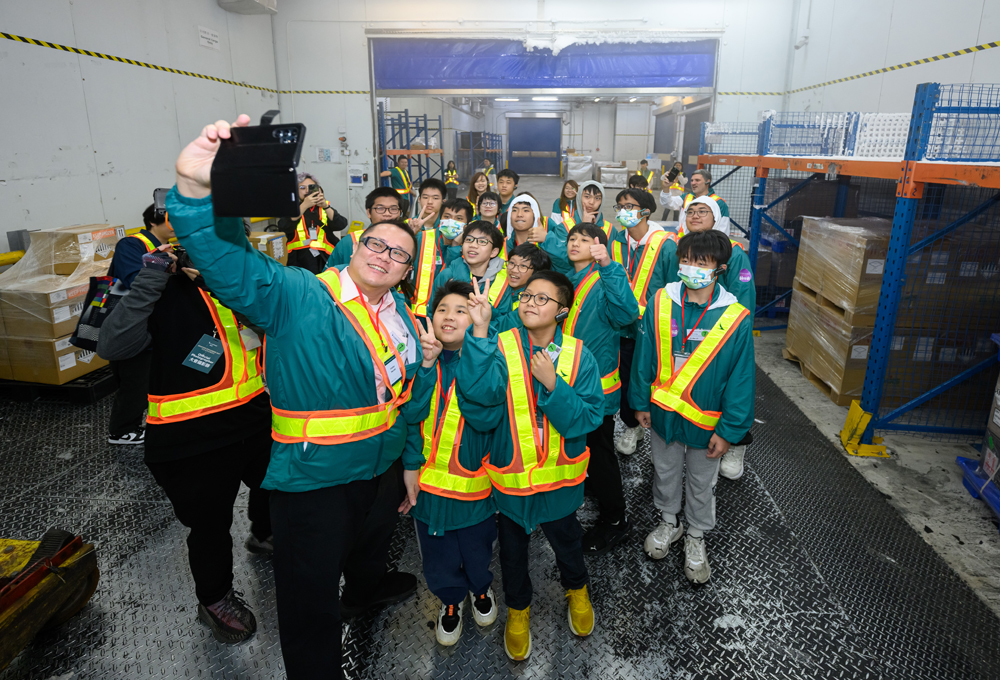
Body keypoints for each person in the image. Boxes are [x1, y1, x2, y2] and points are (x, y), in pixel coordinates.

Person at [168, 114, 436, 679]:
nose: (384, 256)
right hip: (313, 483)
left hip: (381, 470)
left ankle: (367, 588)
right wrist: (195, 191)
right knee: (309, 597)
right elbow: (230, 263)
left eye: (399, 255)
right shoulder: (298, 296)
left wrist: (409, 465)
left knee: (372, 548)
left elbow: (408, 400)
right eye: (376, 244)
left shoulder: (405, 322)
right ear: (356, 244)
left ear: (408, 271)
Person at [97, 235, 272, 644]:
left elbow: (275, 326)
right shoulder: (159, 290)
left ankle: (263, 534)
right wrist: (152, 278)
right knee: (210, 525)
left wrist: (221, 284)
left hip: (255, 419)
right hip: (193, 439)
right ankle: (214, 599)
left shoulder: (236, 286)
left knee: (275, 488)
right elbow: (113, 344)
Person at [460, 271, 603, 661]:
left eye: (542, 299)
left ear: (562, 310)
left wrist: (554, 386)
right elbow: (475, 399)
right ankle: (518, 612)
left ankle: (578, 591)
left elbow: (590, 417)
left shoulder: (577, 355)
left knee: (568, 544)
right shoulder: (498, 346)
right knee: (511, 553)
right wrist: (478, 331)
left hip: (559, 483)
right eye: (526, 296)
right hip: (510, 484)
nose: (529, 303)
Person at [630, 230, 754, 584]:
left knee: (702, 482)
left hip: (706, 424)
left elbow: (741, 380)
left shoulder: (735, 316)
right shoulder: (660, 302)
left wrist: (730, 431)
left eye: (701, 262)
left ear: (720, 269)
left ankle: (696, 535)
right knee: (664, 470)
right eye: (686, 260)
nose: (691, 267)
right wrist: (641, 403)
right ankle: (669, 522)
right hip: (663, 416)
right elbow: (644, 358)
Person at [404, 279, 499, 647]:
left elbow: (488, 405)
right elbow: (410, 416)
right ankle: (449, 602)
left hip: (474, 485)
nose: (449, 316)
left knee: (477, 550)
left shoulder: (489, 360)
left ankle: (480, 591)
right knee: (437, 556)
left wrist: (480, 331)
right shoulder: (422, 362)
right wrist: (427, 365)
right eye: (442, 309)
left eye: (462, 310)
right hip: (427, 488)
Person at [666, 196, 756, 481]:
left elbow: (743, 301)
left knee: (729, 387)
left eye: (702, 211)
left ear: (717, 218)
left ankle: (737, 443)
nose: (694, 215)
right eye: (690, 210)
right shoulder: (683, 250)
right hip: (687, 333)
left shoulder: (734, 253)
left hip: (719, 335)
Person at [563, 223, 640, 554]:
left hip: (594, 389)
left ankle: (615, 520)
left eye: (585, 239)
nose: (576, 243)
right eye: (572, 238)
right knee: (587, 450)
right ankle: (595, 492)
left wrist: (608, 266)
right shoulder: (568, 278)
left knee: (599, 454)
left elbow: (627, 313)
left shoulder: (603, 279)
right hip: (570, 383)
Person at [608, 188, 677, 457]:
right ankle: (631, 424)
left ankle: (658, 427)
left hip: (652, 331)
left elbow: (674, 289)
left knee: (651, 378)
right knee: (624, 377)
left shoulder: (666, 245)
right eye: (620, 206)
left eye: (630, 206)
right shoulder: (615, 242)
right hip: (619, 328)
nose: (623, 211)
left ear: (646, 211)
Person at [105, 201, 176, 445]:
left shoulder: (169, 245)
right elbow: (136, 280)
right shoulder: (132, 245)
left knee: (149, 376)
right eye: (170, 220)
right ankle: (122, 430)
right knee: (135, 379)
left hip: (154, 322)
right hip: (132, 325)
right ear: (153, 222)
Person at [408, 186, 466, 318]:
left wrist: (456, 246)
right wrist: (410, 236)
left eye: (458, 219)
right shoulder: (419, 236)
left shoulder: (472, 247)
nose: (451, 222)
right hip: (415, 314)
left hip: (449, 316)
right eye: (447, 217)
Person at [435, 221, 510, 315]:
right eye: (469, 240)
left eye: (482, 241)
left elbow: (504, 321)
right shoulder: (447, 275)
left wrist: (485, 311)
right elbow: (433, 313)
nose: (473, 245)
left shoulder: (503, 283)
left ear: (493, 252)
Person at [279, 173, 345, 274]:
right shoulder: (292, 209)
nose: (306, 191)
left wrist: (325, 206)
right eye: (302, 187)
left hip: (325, 259)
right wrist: (304, 205)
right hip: (299, 261)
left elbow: (341, 224)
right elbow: (284, 226)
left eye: (311, 187)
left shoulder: (324, 207)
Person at [326, 187, 404, 269]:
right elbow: (330, 275)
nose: (387, 213)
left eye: (393, 209)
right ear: (369, 213)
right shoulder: (350, 242)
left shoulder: (406, 242)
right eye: (380, 208)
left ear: (400, 213)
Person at [493, 242, 551, 330]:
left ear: (536, 272)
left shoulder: (533, 302)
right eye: (512, 263)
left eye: (523, 266)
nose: (514, 270)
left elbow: (503, 326)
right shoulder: (494, 282)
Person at [661, 169, 730, 236]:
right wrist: (666, 188)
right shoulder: (686, 197)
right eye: (692, 180)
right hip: (684, 242)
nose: (693, 183)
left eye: (697, 180)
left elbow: (723, 231)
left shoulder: (719, 203)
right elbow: (667, 203)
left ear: (707, 182)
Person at [503, 194, 549, 263]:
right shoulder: (501, 244)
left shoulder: (545, 245)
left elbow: (564, 266)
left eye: (526, 210)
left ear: (535, 215)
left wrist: (548, 240)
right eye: (515, 210)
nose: (519, 214)